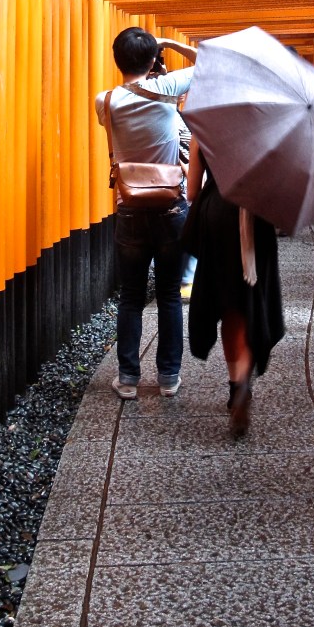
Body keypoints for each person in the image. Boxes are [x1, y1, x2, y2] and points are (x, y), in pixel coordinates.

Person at [95, 27, 197, 399]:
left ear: (116, 59)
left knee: (131, 296)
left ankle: (127, 379)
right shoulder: (167, 87)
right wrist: (169, 45)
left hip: (129, 209)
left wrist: (154, 52)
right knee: (169, 294)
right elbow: (211, 65)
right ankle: (168, 378)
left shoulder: (105, 101)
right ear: (153, 60)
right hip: (171, 207)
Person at [182, 136, 285, 435]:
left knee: (229, 306)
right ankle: (243, 381)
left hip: (217, 216)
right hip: (255, 219)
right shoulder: (263, 131)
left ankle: (236, 385)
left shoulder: (204, 131)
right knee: (250, 300)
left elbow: (192, 192)